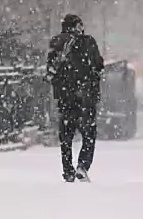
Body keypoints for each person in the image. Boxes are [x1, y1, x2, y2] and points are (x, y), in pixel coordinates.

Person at [46, 14, 104, 182]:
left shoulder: (56, 43)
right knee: (89, 134)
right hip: (85, 96)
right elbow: (98, 66)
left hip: (65, 96)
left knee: (66, 136)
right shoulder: (88, 42)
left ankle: (68, 170)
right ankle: (82, 165)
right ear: (78, 25)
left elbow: (50, 70)